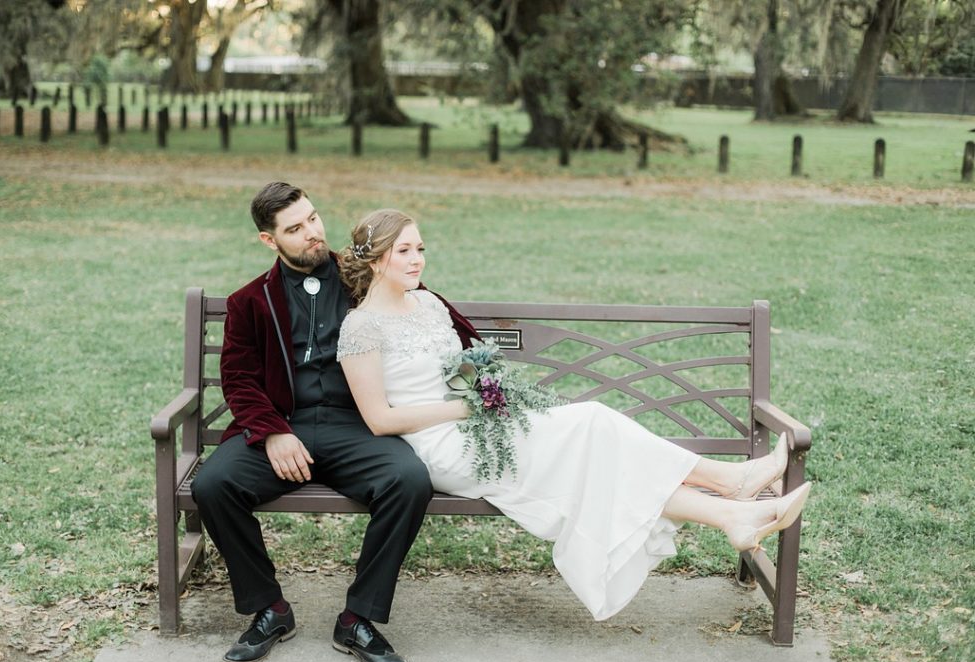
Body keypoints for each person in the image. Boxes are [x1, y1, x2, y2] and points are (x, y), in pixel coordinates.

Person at [336, 208, 813, 623]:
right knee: (593, 428)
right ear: (376, 258)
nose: (418, 259)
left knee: (597, 434)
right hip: (438, 448)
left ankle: (733, 512)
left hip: (481, 425)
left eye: (420, 247)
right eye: (404, 251)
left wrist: (486, 385)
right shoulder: (361, 327)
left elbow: (458, 369)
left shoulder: (430, 304)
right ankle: (732, 488)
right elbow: (379, 419)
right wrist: (466, 407)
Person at [190, 184, 478, 662]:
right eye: (295, 229)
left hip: (360, 425)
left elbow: (439, 318)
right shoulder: (249, 302)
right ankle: (269, 610)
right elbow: (237, 379)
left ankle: (358, 617)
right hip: (284, 426)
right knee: (213, 485)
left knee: (408, 481)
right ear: (269, 240)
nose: (312, 233)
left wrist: (479, 369)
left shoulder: (364, 274)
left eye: (314, 218)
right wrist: (272, 432)